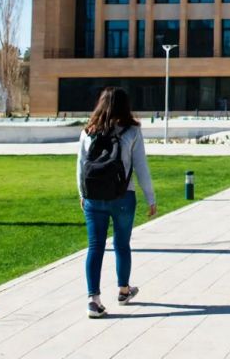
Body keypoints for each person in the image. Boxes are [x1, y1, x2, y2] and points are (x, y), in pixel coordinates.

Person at [77, 86, 157, 319]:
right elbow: (141, 167)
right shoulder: (132, 131)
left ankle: (94, 299)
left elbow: (81, 166)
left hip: (93, 198)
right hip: (123, 196)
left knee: (95, 246)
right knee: (122, 244)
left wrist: (82, 194)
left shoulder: (88, 131)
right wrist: (150, 198)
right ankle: (123, 290)